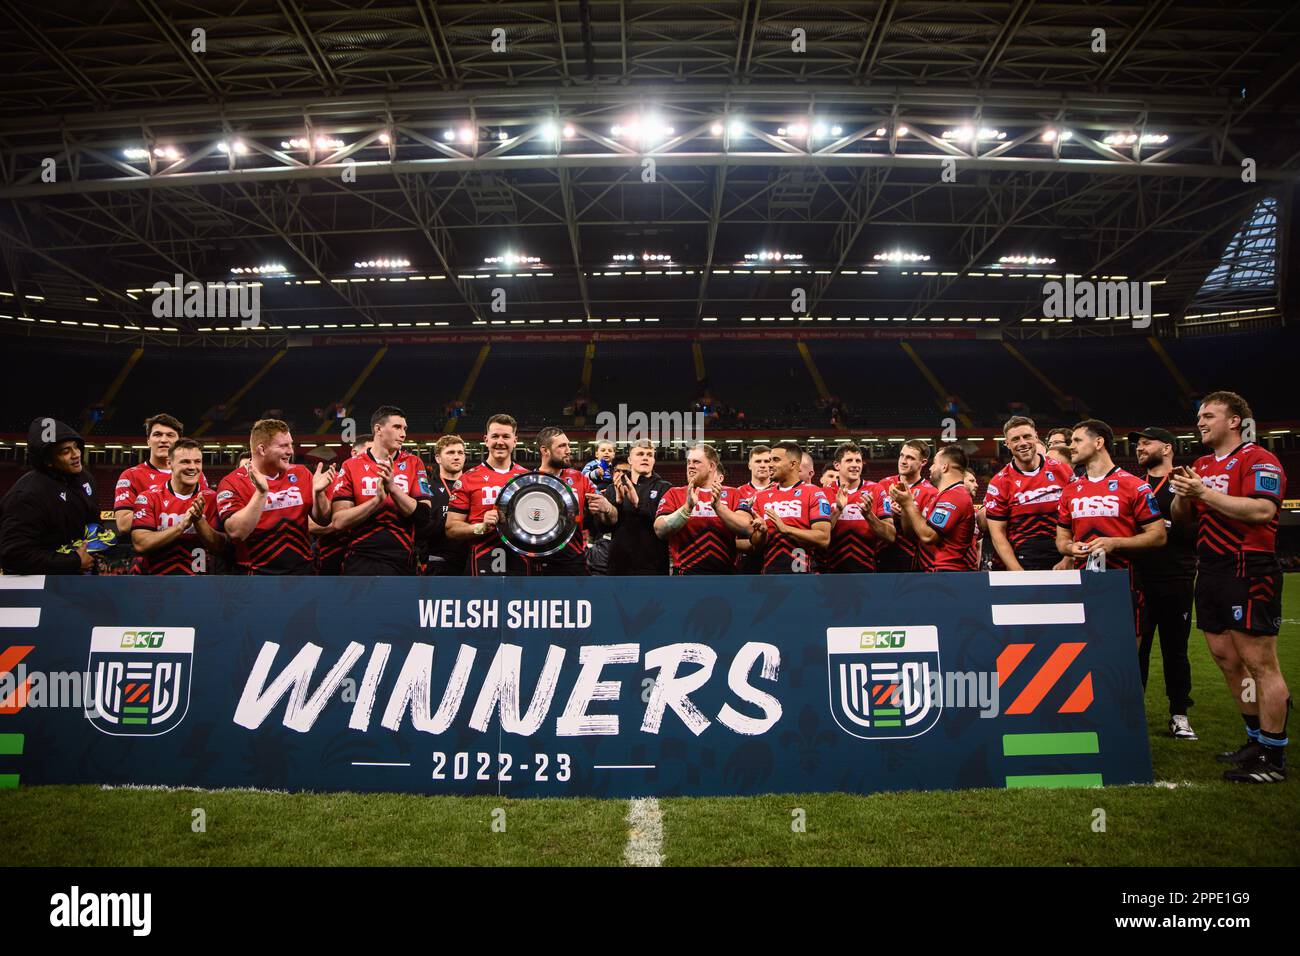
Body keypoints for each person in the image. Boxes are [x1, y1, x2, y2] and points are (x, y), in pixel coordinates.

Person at [1171, 391, 1289, 783]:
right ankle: (1255, 739)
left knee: (1260, 663)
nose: (1200, 422)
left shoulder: (1259, 459)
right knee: (1226, 659)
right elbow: (1183, 519)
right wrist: (1185, 496)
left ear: (1234, 420)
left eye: (1209, 416)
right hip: (1212, 570)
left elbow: (1262, 510)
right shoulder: (1202, 464)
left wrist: (1203, 492)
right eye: (1199, 417)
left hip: (1249, 566)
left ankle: (1273, 758)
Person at [1055, 419, 1166, 636]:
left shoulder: (1135, 486)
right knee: (1089, 656)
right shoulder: (1070, 490)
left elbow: (1158, 536)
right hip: (1084, 582)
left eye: (1077, 440)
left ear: (1098, 443)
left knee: (1125, 657)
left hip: (1125, 581)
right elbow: (1061, 539)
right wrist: (1070, 548)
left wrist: (1114, 543)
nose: (1071, 446)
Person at [1128, 426, 1198, 740]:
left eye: (1146, 443)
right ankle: (1132, 711)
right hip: (1139, 578)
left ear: (1167, 448)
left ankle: (1179, 714)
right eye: (1137, 444)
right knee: (1135, 651)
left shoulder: (1185, 481)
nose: (1139, 448)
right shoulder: (1134, 486)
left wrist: (1163, 525)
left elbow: (1191, 532)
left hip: (1176, 576)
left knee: (1175, 650)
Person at [216, 419, 336, 575]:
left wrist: (318, 494)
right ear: (262, 449)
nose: (290, 451)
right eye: (283, 446)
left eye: (290, 444)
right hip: (256, 575)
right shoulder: (232, 482)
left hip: (302, 571)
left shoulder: (301, 473)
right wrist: (261, 493)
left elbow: (324, 519)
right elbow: (236, 532)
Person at [330, 406, 432, 575]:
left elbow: (424, 516)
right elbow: (339, 521)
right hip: (360, 558)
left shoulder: (414, 463)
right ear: (378, 429)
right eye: (397, 427)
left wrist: (393, 488)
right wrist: (376, 501)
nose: (403, 434)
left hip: (403, 558)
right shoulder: (351, 465)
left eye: (405, 428)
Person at [0, 417, 98, 574]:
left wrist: (98, 543)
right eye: (66, 451)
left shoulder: (85, 479)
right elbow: (14, 555)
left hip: (79, 581)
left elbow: (92, 521)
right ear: (48, 461)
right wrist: (74, 561)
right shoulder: (26, 495)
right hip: (38, 589)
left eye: (76, 447)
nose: (76, 454)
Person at [984, 416, 1075, 571]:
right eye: (1015, 439)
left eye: (1027, 436)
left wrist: (1069, 559)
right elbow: (997, 534)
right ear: (1007, 444)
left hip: (1063, 556)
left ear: (1036, 437)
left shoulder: (1063, 471)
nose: (1023, 443)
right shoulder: (999, 482)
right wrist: (1018, 572)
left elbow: (1078, 519)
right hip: (1023, 560)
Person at [445, 413, 531, 576]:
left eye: (506, 436)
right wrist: (480, 527)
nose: (500, 442)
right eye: (495, 436)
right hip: (482, 558)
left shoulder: (528, 479)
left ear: (515, 440)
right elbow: (451, 528)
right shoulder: (468, 478)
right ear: (486, 440)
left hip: (521, 558)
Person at [130, 438, 225, 575]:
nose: (193, 467)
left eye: (197, 462)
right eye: (185, 461)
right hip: (154, 585)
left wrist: (199, 521)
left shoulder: (213, 499)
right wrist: (181, 526)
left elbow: (222, 547)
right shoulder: (148, 498)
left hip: (200, 585)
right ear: (170, 464)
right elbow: (141, 543)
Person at [654, 442, 752, 574]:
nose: (690, 467)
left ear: (711, 466)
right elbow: (660, 529)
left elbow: (748, 528)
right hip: (685, 575)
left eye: (696, 462)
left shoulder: (733, 493)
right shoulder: (674, 493)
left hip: (726, 575)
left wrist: (718, 507)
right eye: (688, 462)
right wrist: (686, 508)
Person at [532, 427, 616, 576]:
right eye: (562, 446)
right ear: (545, 451)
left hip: (573, 561)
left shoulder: (580, 479)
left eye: (568, 445)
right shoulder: (528, 483)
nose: (569, 450)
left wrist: (608, 508)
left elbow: (611, 520)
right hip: (536, 562)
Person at [890, 444, 977, 572]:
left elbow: (929, 536)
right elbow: (914, 534)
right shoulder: (943, 495)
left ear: (944, 467)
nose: (930, 468)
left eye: (934, 463)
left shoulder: (955, 496)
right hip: (932, 571)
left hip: (946, 572)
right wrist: (905, 506)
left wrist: (908, 504)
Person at [749, 442, 832, 574]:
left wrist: (786, 529)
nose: (769, 465)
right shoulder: (760, 497)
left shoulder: (814, 493)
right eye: (770, 460)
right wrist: (761, 533)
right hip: (769, 576)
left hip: (805, 575)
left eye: (776, 460)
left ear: (793, 464)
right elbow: (755, 545)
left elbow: (824, 538)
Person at [112, 413, 202, 536]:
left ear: (179, 442)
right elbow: (123, 525)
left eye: (170, 435)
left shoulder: (196, 474)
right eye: (157, 434)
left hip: (193, 550)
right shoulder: (130, 476)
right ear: (148, 441)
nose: (163, 440)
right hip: (151, 550)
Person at [823, 442, 894, 573]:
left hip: (868, 569)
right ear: (837, 465)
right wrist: (838, 510)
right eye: (849, 460)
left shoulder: (876, 490)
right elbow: (821, 536)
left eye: (858, 461)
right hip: (832, 570)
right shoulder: (825, 492)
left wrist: (868, 515)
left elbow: (890, 535)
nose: (855, 465)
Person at [607, 439, 672, 575]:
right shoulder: (613, 489)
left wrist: (637, 503)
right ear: (630, 460)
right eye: (640, 454)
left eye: (649, 455)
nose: (645, 458)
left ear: (654, 460)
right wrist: (614, 505)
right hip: (619, 567)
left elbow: (665, 528)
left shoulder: (665, 488)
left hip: (654, 568)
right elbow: (603, 528)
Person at [876, 439, 937, 572]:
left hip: (912, 560)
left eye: (910, 458)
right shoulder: (883, 484)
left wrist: (905, 512)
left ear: (923, 462)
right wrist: (887, 515)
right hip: (880, 557)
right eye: (902, 455)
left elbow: (927, 534)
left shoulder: (931, 493)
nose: (903, 461)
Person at [315, 438, 370, 574]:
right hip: (331, 556)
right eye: (369, 451)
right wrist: (342, 522)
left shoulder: (375, 482)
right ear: (354, 452)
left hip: (363, 558)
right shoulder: (329, 480)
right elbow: (311, 525)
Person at [421, 434, 469, 576]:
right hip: (438, 562)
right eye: (450, 452)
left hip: (470, 561)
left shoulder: (474, 486)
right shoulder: (426, 487)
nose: (456, 457)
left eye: (460, 453)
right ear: (438, 458)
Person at [734, 445, 773, 573]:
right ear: (749, 465)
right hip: (745, 557)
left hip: (773, 552)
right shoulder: (738, 493)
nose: (762, 465)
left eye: (767, 461)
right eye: (758, 461)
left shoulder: (780, 491)